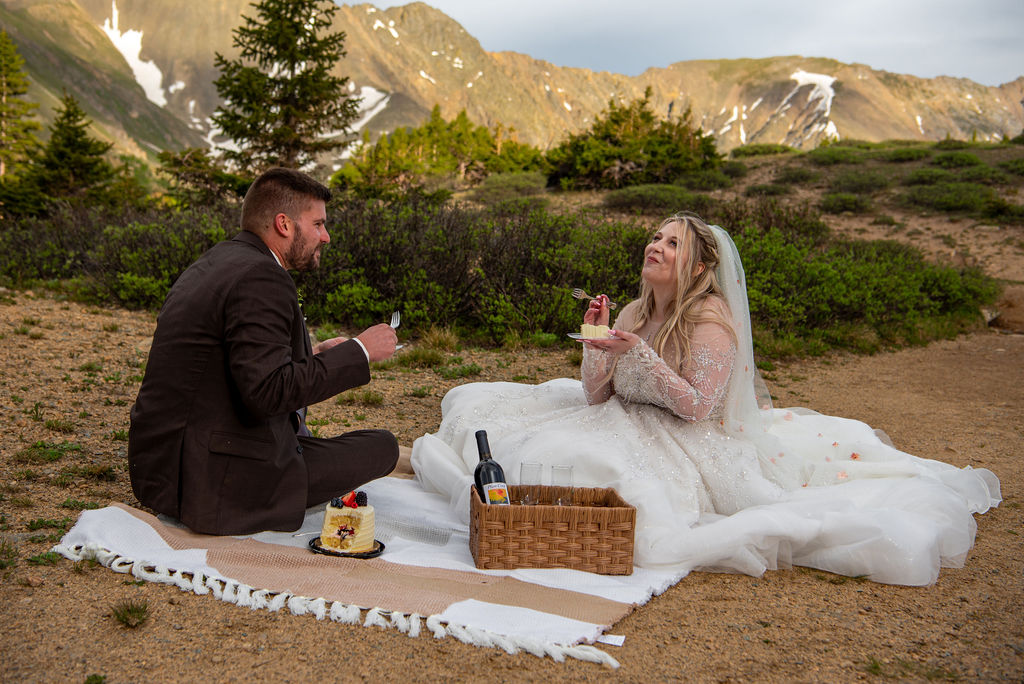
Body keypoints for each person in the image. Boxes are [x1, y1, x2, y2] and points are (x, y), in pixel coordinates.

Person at [411, 213, 1000, 585]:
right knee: (497, 414)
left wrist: (636, 355)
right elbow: (594, 396)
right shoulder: (638, 311)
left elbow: (696, 407)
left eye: (671, 242)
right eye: (654, 237)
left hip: (681, 436)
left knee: (600, 473)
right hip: (618, 418)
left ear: (693, 262)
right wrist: (596, 338)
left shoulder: (711, 320)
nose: (656, 246)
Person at [129, 167, 399, 536]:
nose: (326, 236)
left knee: (333, 441)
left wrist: (316, 353)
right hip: (213, 484)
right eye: (318, 224)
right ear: (284, 224)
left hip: (162, 471)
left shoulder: (214, 263)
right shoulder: (263, 277)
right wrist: (360, 351)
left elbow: (227, 366)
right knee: (383, 447)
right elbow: (266, 393)